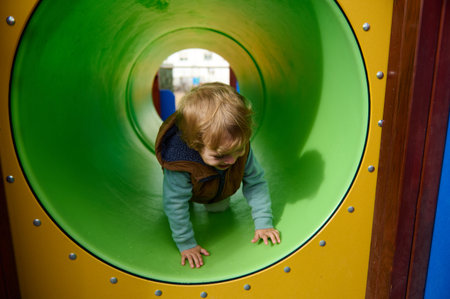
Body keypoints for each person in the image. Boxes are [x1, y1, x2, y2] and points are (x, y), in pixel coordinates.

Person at [155, 82, 280, 269]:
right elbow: (174, 203)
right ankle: (194, 199)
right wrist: (186, 244)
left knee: (218, 208)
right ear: (195, 145)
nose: (231, 160)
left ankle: (213, 200)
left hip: (218, 189)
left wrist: (264, 223)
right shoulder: (180, 164)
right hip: (196, 182)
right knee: (181, 202)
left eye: (238, 149)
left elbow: (255, 183)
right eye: (220, 155)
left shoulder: (238, 148)